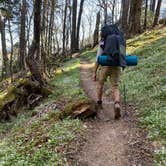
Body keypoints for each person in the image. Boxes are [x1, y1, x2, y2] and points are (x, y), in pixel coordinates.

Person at [93, 25, 126, 119]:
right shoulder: (120, 39)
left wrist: (94, 72)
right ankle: (117, 103)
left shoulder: (103, 41)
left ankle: (99, 103)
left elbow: (98, 59)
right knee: (115, 86)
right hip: (116, 65)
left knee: (100, 84)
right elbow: (123, 55)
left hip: (105, 65)